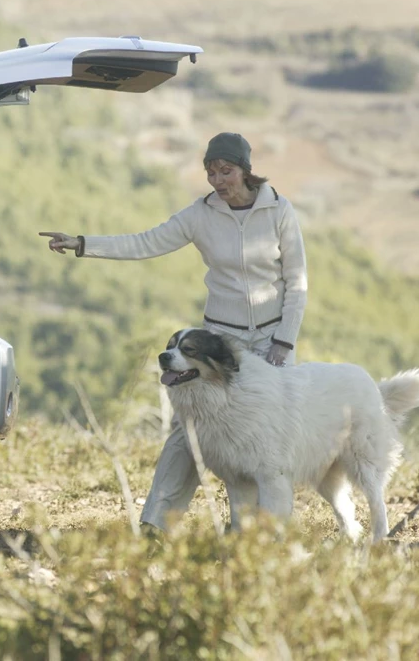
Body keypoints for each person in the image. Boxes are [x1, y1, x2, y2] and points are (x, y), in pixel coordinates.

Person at [39, 132, 308, 533]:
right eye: (211, 172)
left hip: (273, 339)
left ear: (245, 170)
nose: (218, 180)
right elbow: (146, 242)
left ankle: (259, 531)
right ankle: (157, 523)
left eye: (226, 171)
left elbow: (297, 281)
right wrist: (82, 243)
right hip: (221, 341)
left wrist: (284, 341)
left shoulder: (279, 210)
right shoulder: (200, 214)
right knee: (192, 431)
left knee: (274, 431)